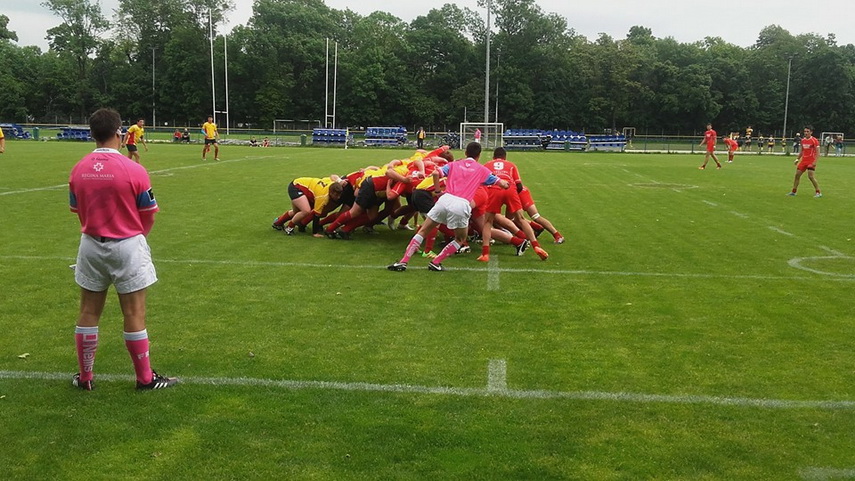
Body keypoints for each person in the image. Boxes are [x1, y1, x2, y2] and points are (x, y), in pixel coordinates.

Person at [68, 107, 178, 391]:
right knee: (133, 313)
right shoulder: (134, 170)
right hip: (127, 245)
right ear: (119, 132)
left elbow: (77, 210)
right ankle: (144, 378)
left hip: (90, 245)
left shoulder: (78, 168)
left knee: (88, 311)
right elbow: (149, 213)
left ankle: (85, 377)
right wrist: (136, 236)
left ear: (92, 134)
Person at [387, 142, 509, 272]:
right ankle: (436, 262)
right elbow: (502, 183)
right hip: (461, 204)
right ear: (478, 156)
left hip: (444, 200)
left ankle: (403, 261)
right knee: (460, 239)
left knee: (423, 231)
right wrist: (506, 183)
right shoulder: (482, 170)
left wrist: (438, 191)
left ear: (465, 153)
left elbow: (435, 173)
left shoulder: (454, 164)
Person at [478, 147, 548, 262]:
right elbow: (519, 185)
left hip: (494, 189)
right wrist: (513, 197)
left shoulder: (486, 165)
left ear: (494, 157)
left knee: (488, 222)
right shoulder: (511, 165)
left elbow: (481, 182)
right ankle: (536, 246)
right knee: (521, 219)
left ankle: (485, 254)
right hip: (510, 188)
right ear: (505, 157)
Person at [787, 125, 821, 198]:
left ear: (811, 132)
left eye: (807, 131)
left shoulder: (814, 140)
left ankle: (818, 192)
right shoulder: (803, 140)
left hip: (811, 161)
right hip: (804, 161)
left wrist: (815, 162)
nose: (806, 133)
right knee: (797, 175)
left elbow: (818, 152)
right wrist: (797, 159)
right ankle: (793, 192)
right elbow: (802, 151)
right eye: (805, 131)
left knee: (810, 176)